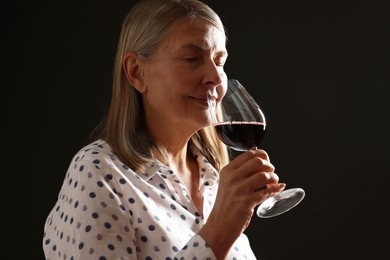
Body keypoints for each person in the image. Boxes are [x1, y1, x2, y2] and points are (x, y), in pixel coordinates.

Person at [42, 0, 286, 259]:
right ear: (136, 73)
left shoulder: (213, 179)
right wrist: (221, 228)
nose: (215, 77)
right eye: (192, 58)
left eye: (220, 61)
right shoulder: (98, 172)